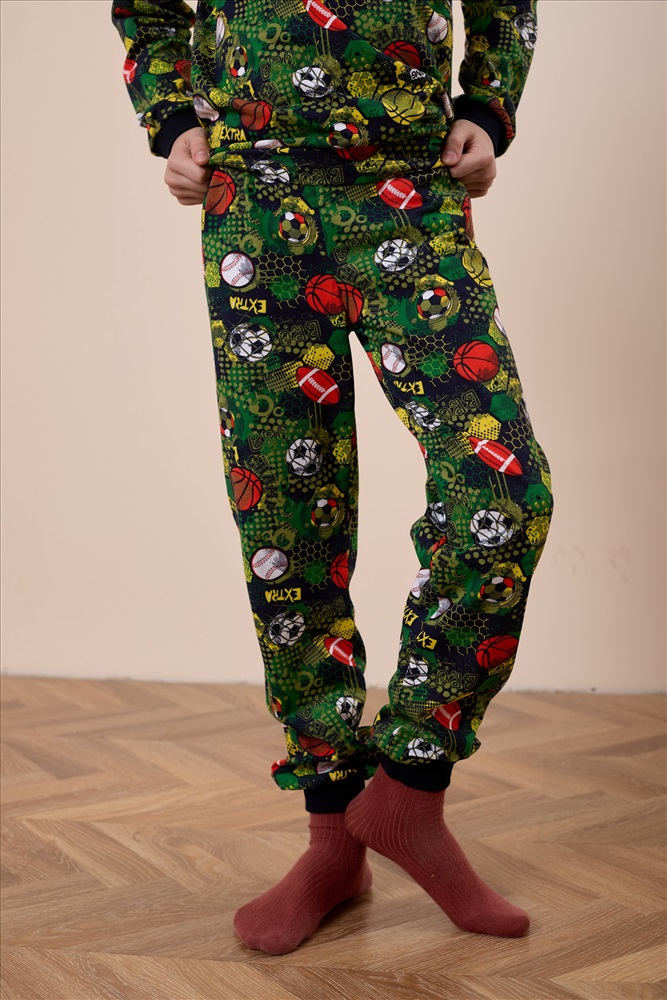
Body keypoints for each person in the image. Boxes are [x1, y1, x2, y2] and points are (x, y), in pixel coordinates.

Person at [112, 0, 551, 955]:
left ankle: (409, 792)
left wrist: (489, 105)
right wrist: (173, 116)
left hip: (412, 192)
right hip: (254, 206)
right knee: (287, 529)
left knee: (506, 492)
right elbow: (145, 10)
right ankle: (331, 835)